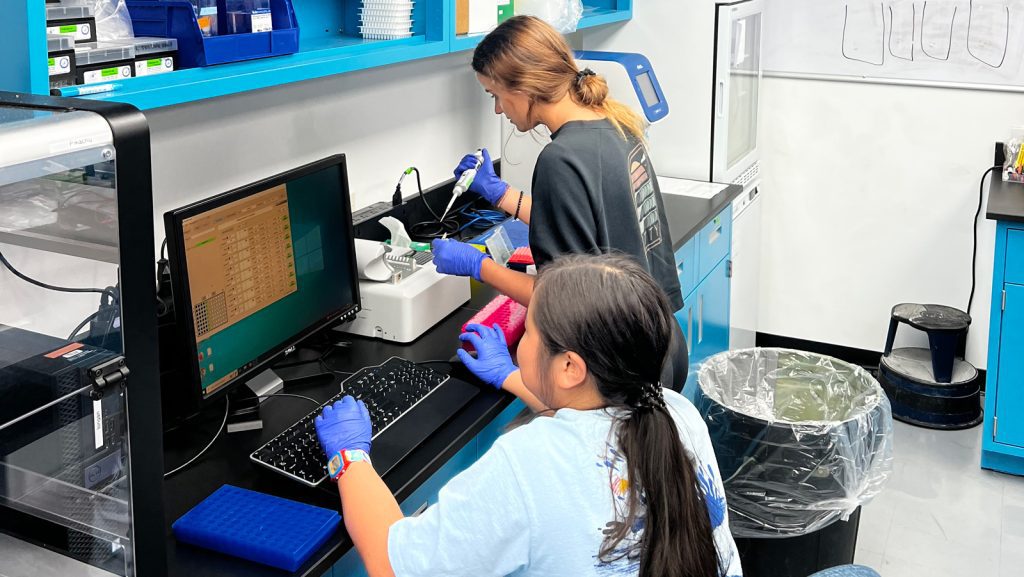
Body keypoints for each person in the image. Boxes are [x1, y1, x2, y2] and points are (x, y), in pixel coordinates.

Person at [315, 254, 743, 577]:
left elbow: (392, 564)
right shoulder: (675, 411)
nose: (521, 339)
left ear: (571, 368)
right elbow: (594, 436)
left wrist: (349, 458)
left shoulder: (527, 462)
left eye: (531, 331)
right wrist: (513, 377)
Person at [429, 15, 689, 392]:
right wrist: (501, 195)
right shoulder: (614, 123)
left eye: (495, 95)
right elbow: (584, 220)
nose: (499, 110)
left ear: (524, 87)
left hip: (619, 364)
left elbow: (559, 297)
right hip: (662, 342)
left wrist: (477, 265)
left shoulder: (560, 158)